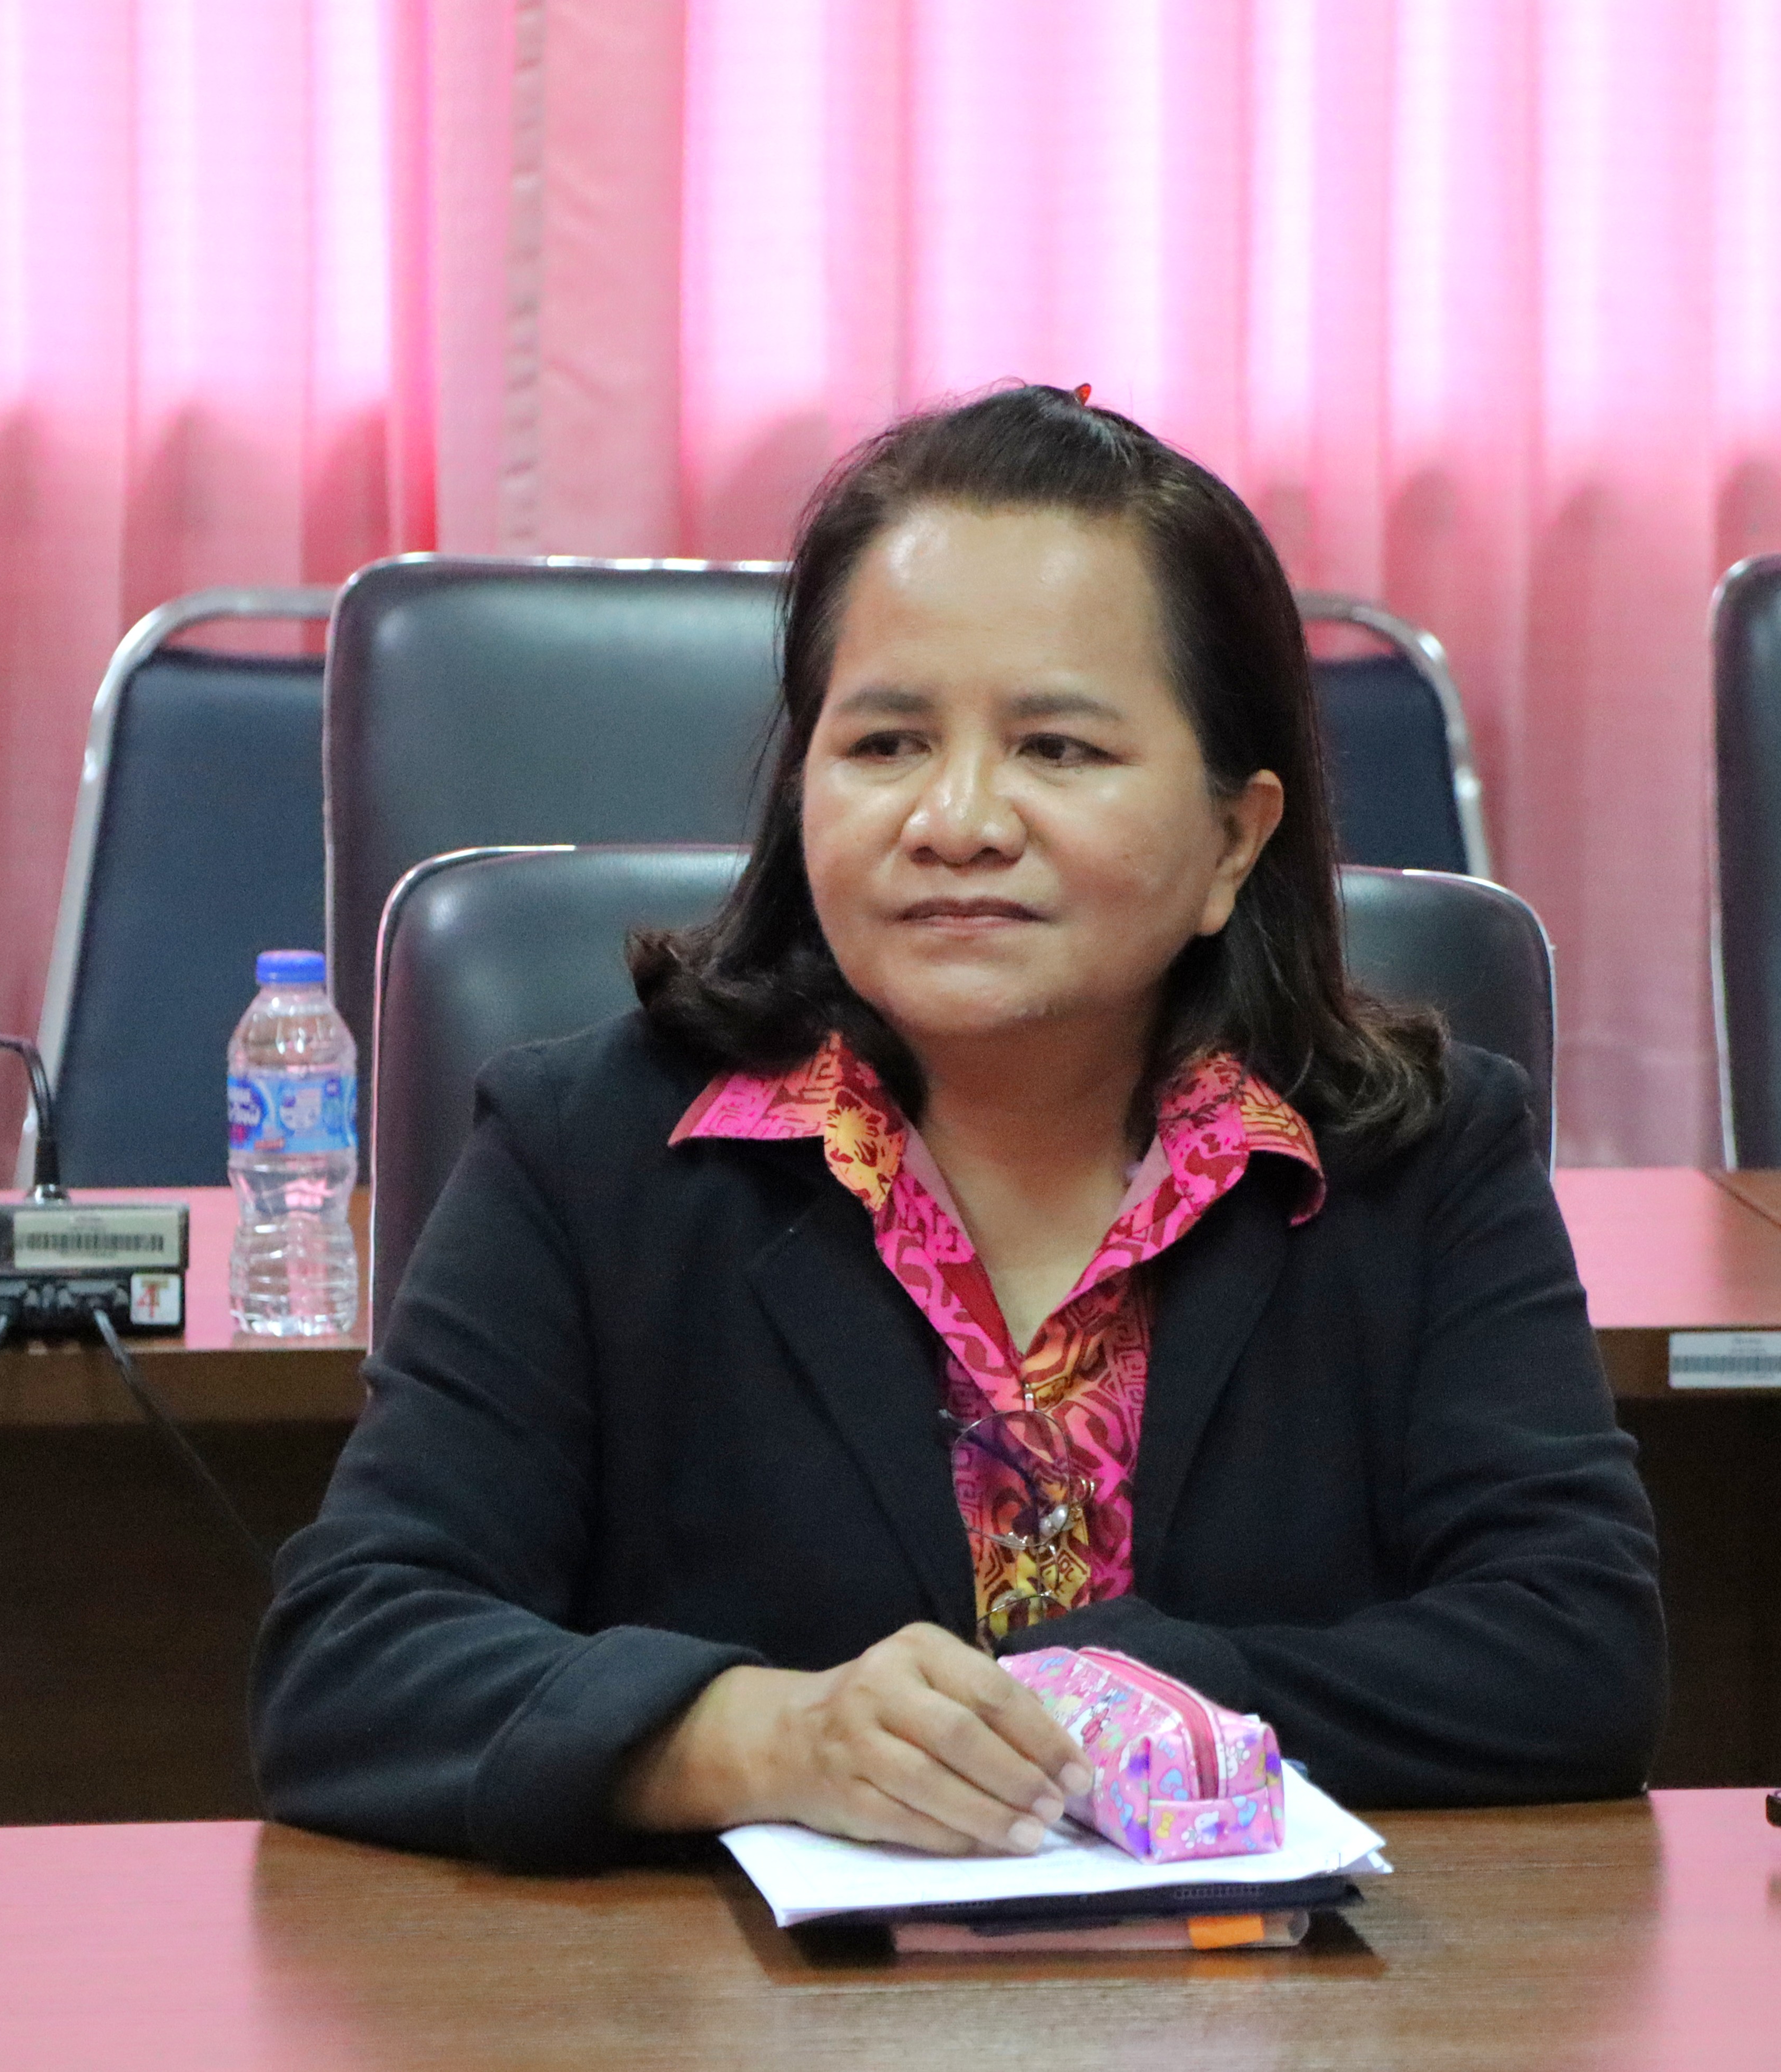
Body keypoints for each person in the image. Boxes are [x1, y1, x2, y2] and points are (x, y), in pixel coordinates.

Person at [252, 384, 1664, 1871]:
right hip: (744, 1994)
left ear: (1232, 839)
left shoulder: (1414, 1158)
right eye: (886, 744)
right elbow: (350, 1663)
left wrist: (1133, 1705)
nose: (958, 820)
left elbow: (1574, 1654)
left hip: (1264, 1984)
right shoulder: (587, 1149)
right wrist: (755, 1738)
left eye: (1058, 748)